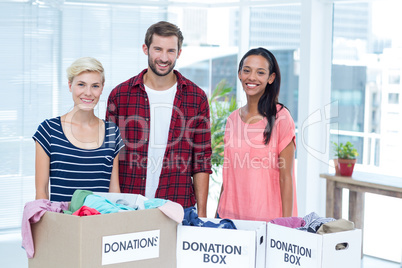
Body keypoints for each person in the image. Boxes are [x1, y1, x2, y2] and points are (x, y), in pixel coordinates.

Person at [106, 21, 211, 217]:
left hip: (178, 205)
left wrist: (202, 216)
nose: (164, 57)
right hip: (129, 205)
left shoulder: (196, 98)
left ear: (179, 53)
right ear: (145, 49)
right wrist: (115, 203)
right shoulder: (120, 95)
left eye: (171, 51)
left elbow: (201, 160)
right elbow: (111, 154)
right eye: (157, 49)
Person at [217, 47, 297, 222]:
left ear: (271, 78)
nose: (252, 77)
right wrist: (217, 215)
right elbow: (229, 174)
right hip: (229, 218)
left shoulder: (281, 118)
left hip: (267, 222)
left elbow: (286, 178)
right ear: (239, 74)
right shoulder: (232, 119)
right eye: (247, 71)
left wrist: (285, 226)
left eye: (260, 72)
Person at [33, 57, 124, 202]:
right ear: (70, 86)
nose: (88, 93)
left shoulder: (112, 132)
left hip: (101, 222)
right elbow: (41, 192)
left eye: (95, 86)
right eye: (81, 84)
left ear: (102, 88)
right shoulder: (48, 130)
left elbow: (114, 191)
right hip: (62, 222)